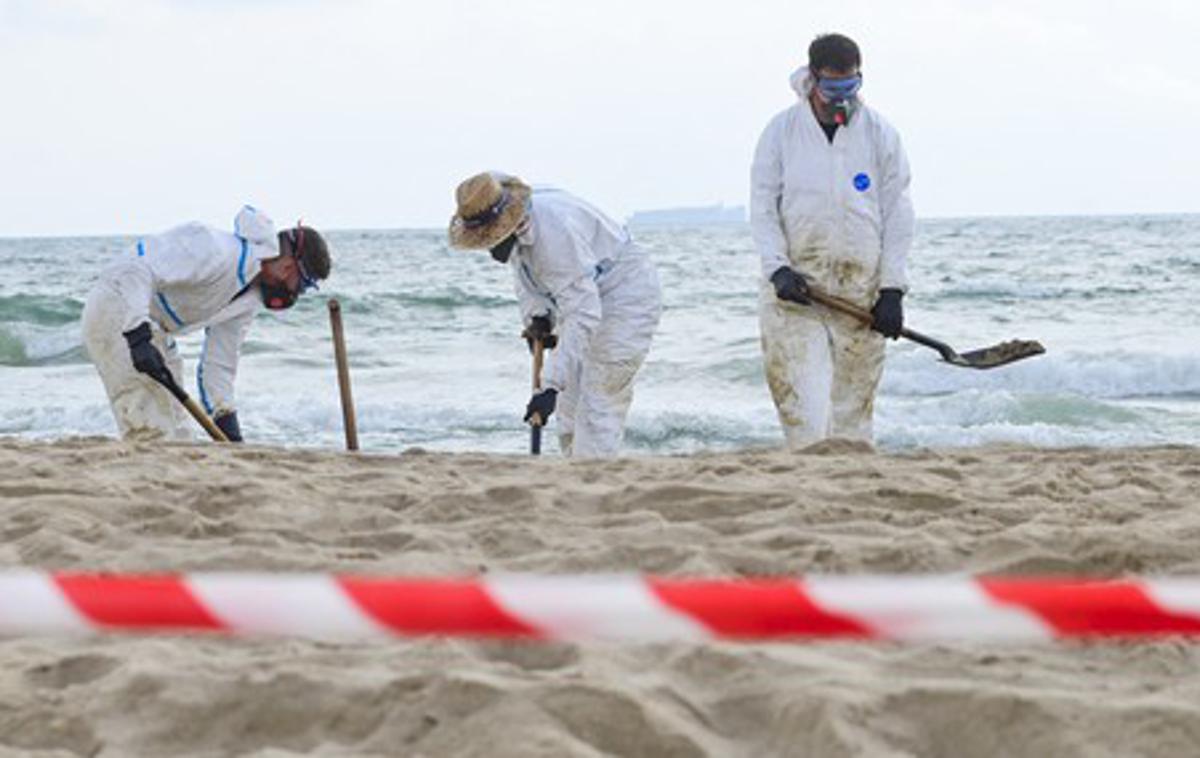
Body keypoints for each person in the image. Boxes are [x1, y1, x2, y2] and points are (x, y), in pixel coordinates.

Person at [750, 33, 915, 447]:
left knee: (853, 417)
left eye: (850, 87)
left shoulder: (881, 134)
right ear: (812, 79)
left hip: (860, 296)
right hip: (796, 295)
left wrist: (892, 289)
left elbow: (898, 214)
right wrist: (778, 268)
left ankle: (849, 499)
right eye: (831, 88)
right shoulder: (781, 132)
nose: (840, 97)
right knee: (803, 411)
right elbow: (763, 208)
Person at [448, 172, 662, 457]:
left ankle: (592, 479)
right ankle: (574, 474)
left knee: (599, 400)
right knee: (568, 407)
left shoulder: (554, 234)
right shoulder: (521, 226)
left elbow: (583, 314)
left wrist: (548, 387)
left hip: (625, 292)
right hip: (585, 291)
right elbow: (528, 275)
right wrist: (538, 317)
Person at [81, 206, 331, 441]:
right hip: (117, 311)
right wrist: (136, 335)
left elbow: (219, 366)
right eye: (302, 285)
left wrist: (229, 428)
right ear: (289, 267)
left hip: (155, 331)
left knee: (180, 433)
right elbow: (132, 269)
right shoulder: (214, 248)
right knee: (152, 430)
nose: (297, 293)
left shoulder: (248, 298)